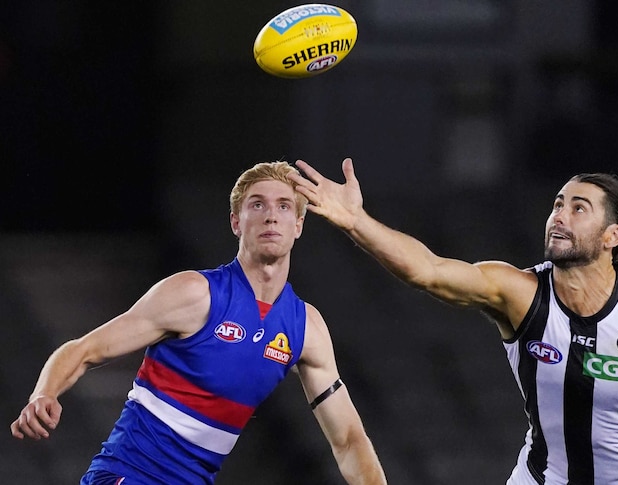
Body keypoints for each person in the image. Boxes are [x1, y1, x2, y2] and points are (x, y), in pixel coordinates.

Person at [286, 158, 618, 485]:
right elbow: (430, 271)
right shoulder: (518, 293)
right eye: (557, 204)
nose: (559, 215)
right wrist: (356, 221)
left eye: (578, 207)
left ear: (613, 235)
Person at [10, 161, 387, 485]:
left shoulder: (307, 329)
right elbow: (85, 349)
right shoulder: (194, 294)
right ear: (236, 223)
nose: (272, 214)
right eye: (258, 204)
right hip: (128, 475)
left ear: (299, 224)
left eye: (285, 206)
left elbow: (349, 439)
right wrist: (44, 393)